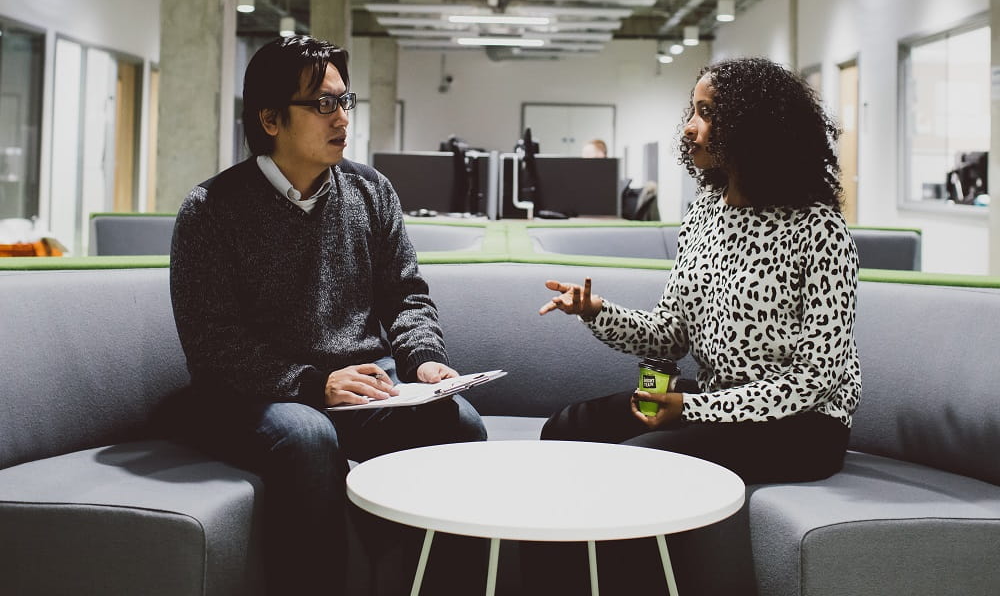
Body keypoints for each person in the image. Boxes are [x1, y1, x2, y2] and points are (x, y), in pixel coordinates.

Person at [169, 35, 487, 595]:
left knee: (459, 422)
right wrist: (314, 383)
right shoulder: (211, 211)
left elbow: (406, 296)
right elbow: (213, 342)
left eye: (345, 101)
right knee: (308, 436)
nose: (341, 117)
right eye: (322, 104)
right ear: (270, 119)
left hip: (358, 387)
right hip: (254, 396)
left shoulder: (370, 191)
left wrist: (425, 361)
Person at [539, 57, 861, 486]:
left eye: (707, 114)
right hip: (717, 402)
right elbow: (671, 335)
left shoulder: (818, 229)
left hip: (802, 425)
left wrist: (689, 409)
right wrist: (597, 311)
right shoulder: (705, 212)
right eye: (692, 111)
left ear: (751, 128)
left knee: (637, 462)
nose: (689, 127)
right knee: (567, 428)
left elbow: (813, 381)